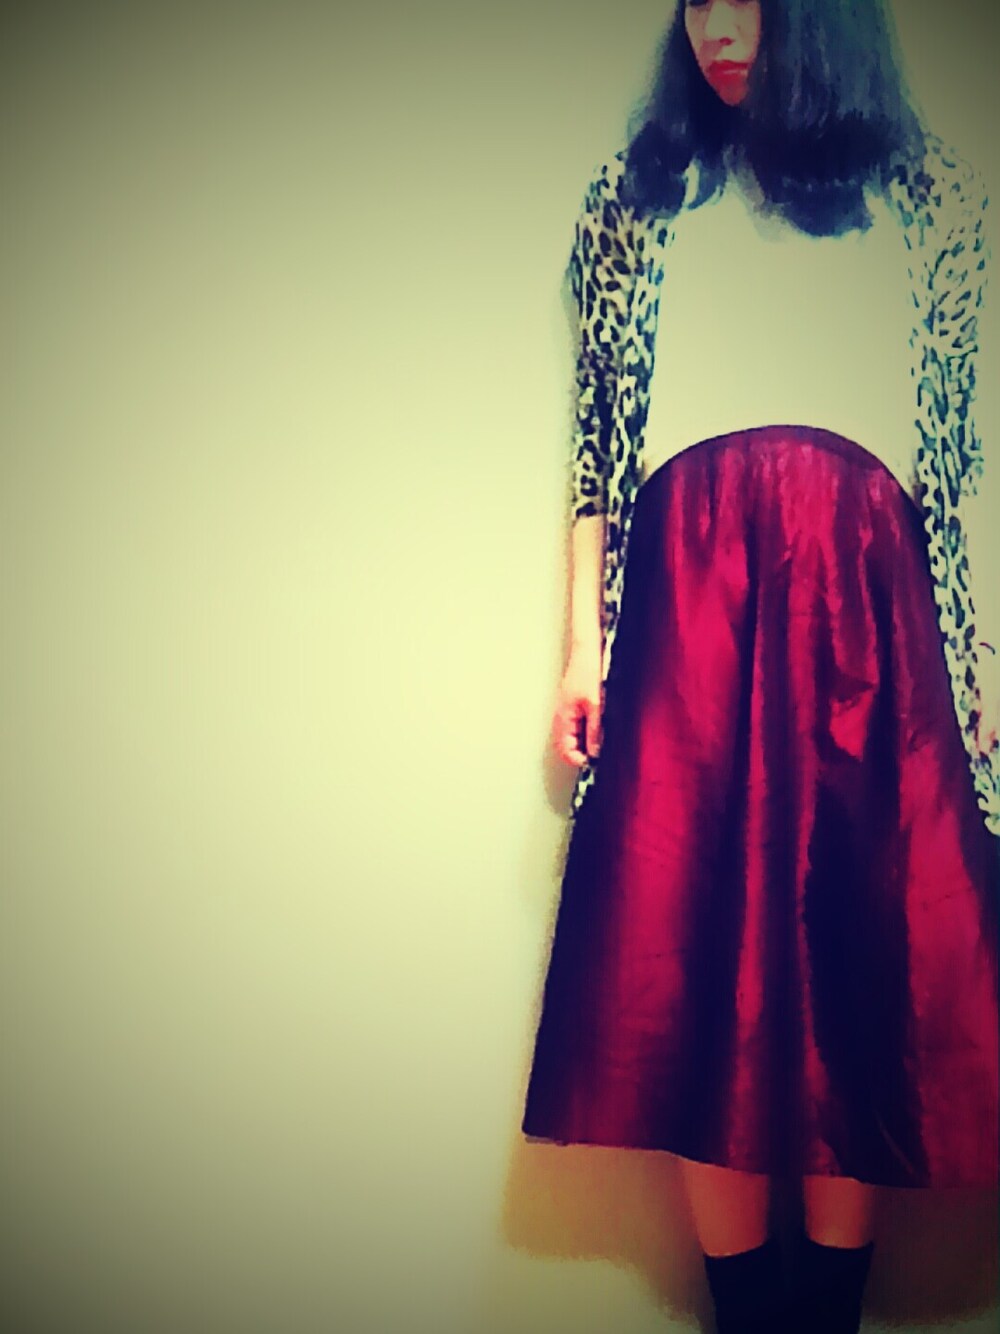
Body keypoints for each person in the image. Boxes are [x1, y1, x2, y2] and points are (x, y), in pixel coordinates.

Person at [520, 3, 1000, 1332]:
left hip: (869, 605)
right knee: (691, 955)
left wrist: (977, 666)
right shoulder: (642, 198)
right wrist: (581, 649)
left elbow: (952, 465)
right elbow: (599, 452)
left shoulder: (930, 201)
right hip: (690, 606)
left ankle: (830, 1311)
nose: (719, 24)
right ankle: (747, 1314)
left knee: (866, 960)